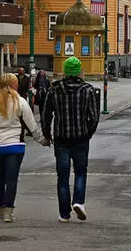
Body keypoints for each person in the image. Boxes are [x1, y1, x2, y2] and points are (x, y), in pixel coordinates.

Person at [0, 73, 49, 223]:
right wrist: (42, 140)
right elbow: (32, 126)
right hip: (15, 146)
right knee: (12, 179)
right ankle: (8, 211)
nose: (18, 85)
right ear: (13, 85)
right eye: (16, 83)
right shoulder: (21, 102)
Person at [42, 56, 99, 223]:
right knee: (81, 171)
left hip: (61, 138)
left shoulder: (55, 90)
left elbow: (46, 114)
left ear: (65, 72)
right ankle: (79, 202)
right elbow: (94, 116)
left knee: (63, 176)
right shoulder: (88, 90)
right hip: (81, 138)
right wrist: (88, 133)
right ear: (79, 71)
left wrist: (47, 133)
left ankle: (64, 214)